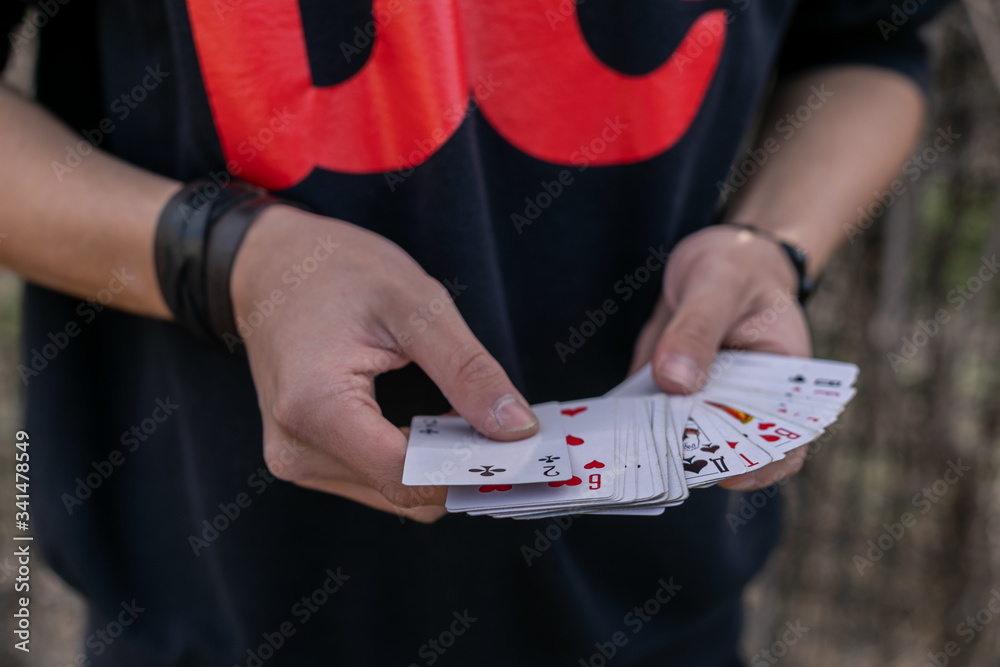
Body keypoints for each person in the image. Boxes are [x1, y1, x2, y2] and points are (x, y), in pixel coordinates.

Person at [0, 0, 948, 664]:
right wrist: (233, 261)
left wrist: (768, 244)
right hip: (207, 608)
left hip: (660, 614)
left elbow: (870, 44)